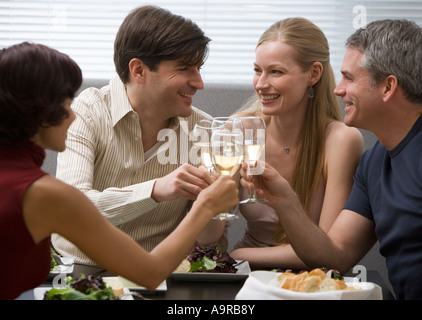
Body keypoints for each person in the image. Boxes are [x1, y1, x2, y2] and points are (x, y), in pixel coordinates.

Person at [0, 42, 238, 300]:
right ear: (38, 112)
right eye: (66, 106)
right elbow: (150, 273)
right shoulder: (46, 193)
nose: (73, 117)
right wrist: (205, 207)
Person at [240, 19, 422, 299]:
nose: (338, 89)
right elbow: (335, 257)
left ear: (388, 87)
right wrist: (286, 201)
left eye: (349, 78)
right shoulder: (374, 163)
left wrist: (236, 254)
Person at [52, 5, 227, 265]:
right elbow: (71, 210)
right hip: (82, 269)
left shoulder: (203, 129)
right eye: (184, 69)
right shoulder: (88, 111)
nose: (199, 83)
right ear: (138, 70)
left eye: (199, 68)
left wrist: (214, 204)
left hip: (162, 273)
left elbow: (207, 240)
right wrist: (156, 190)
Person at [229, 17, 364, 270]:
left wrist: (239, 253)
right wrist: (208, 195)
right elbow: (209, 236)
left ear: (313, 74)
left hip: (309, 280)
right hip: (247, 279)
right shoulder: (240, 129)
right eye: (257, 70)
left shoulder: (341, 140)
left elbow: (326, 252)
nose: (260, 84)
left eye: (276, 71)